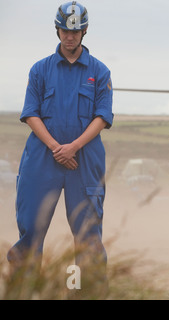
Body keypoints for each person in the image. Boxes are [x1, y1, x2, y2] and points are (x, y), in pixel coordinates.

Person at [7, 1, 113, 297]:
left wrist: (74, 147)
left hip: (84, 160)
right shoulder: (40, 70)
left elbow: (103, 116)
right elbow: (30, 113)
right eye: (65, 30)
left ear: (85, 31)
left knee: (87, 234)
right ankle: (24, 291)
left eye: (76, 31)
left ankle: (87, 292)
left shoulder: (100, 72)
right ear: (57, 29)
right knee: (30, 227)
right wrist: (57, 148)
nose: (70, 36)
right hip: (43, 158)